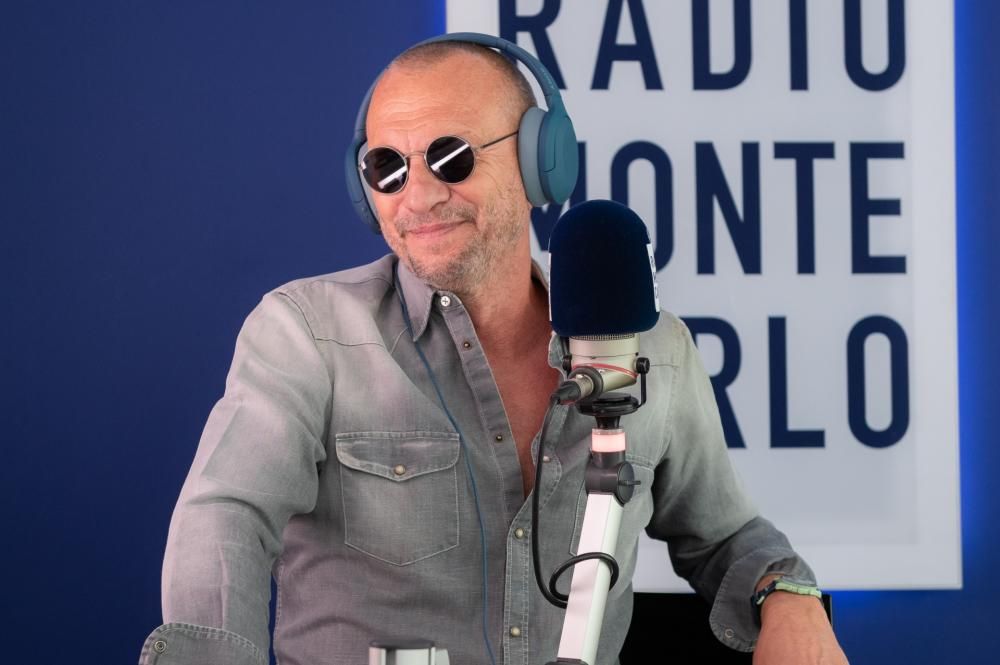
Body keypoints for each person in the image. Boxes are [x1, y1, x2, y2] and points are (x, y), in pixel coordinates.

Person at [139, 35, 848, 665]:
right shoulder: (307, 333)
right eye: (387, 167)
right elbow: (226, 515)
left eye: (450, 158)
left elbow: (726, 537)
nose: (417, 196)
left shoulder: (652, 348)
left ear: (543, 163)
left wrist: (789, 596)